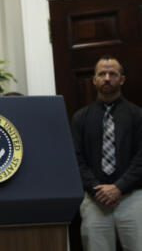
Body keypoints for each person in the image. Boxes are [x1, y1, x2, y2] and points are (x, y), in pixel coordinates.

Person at [71, 56, 142, 251]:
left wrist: (118, 187)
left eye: (113, 74)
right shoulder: (80, 118)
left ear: (122, 79)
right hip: (95, 202)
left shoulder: (138, 116)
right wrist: (97, 189)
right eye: (102, 73)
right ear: (94, 79)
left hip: (132, 198)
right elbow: (76, 159)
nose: (107, 78)